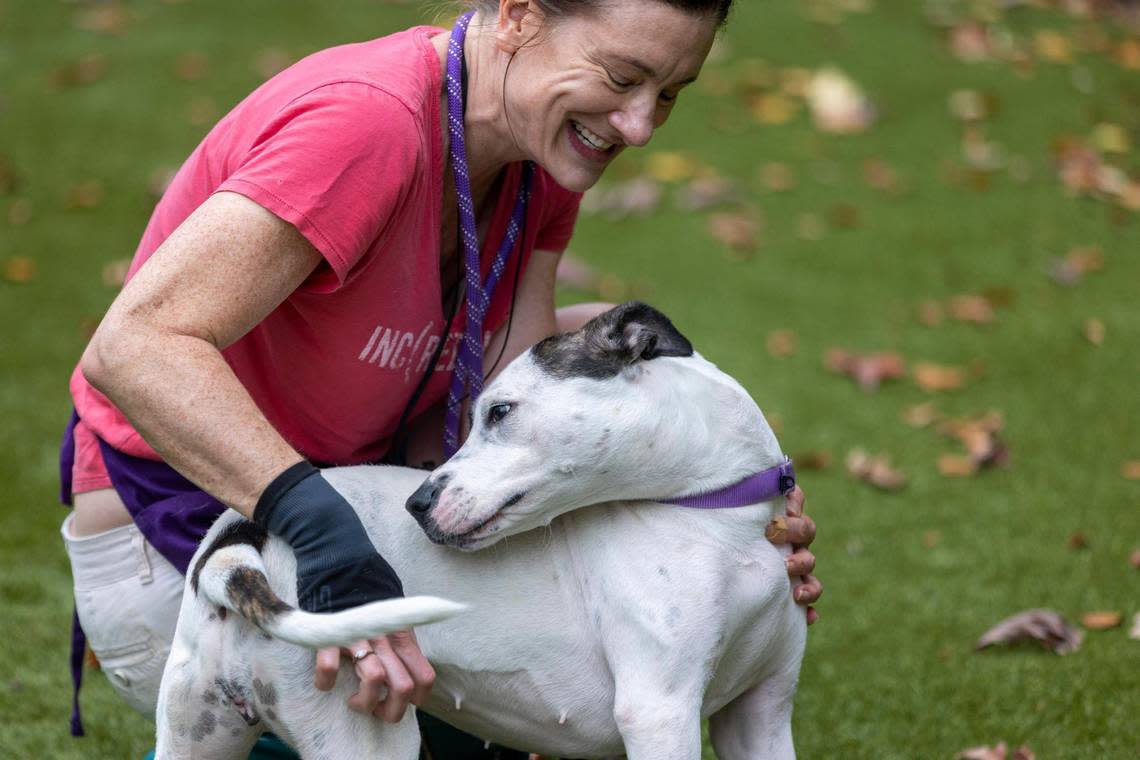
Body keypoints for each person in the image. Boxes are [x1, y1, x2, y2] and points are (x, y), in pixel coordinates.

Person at [59, 0, 822, 757]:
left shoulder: (543, 156)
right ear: (520, 14)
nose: (639, 125)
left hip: (357, 499)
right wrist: (323, 535)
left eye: (669, 95)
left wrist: (726, 521)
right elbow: (133, 348)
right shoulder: (369, 125)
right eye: (623, 77)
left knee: (547, 700)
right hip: (181, 525)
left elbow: (503, 403)